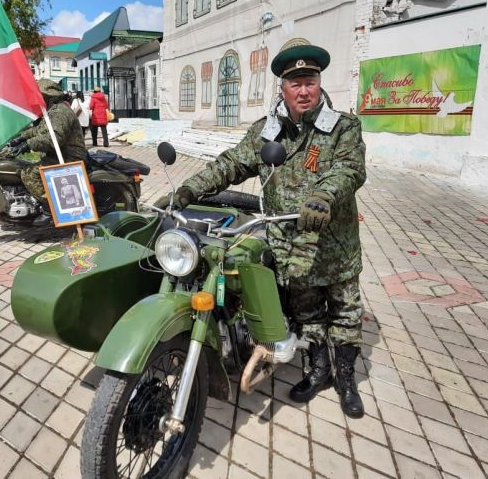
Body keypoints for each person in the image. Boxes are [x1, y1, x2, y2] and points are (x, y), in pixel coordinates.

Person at [155, 44, 367, 418]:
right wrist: (188, 189)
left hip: (334, 243)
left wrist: (323, 195)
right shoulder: (266, 132)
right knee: (309, 314)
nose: (304, 91)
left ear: (319, 84)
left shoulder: (343, 128)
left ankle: (346, 378)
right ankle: (318, 371)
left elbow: (350, 169)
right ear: (282, 88)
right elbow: (231, 164)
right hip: (289, 246)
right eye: (295, 84)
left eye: (311, 82)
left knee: (346, 312)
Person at [10, 79, 88, 225]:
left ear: (48, 96)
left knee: (29, 173)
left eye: (41, 96)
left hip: (69, 157)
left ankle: (50, 209)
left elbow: (55, 138)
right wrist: (20, 138)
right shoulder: (53, 111)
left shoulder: (60, 112)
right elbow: (41, 130)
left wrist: (29, 144)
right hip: (60, 154)